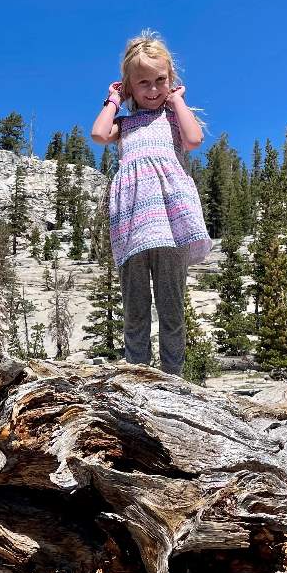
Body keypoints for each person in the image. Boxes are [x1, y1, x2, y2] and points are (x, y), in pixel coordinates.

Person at [91, 30, 212, 374]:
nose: (153, 89)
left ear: (171, 79)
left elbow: (194, 139)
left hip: (170, 226)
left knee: (172, 309)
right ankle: (137, 378)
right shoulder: (125, 125)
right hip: (131, 225)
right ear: (130, 86)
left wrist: (177, 102)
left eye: (160, 80)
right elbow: (99, 134)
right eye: (143, 82)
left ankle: (174, 380)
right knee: (135, 309)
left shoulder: (174, 117)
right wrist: (113, 100)